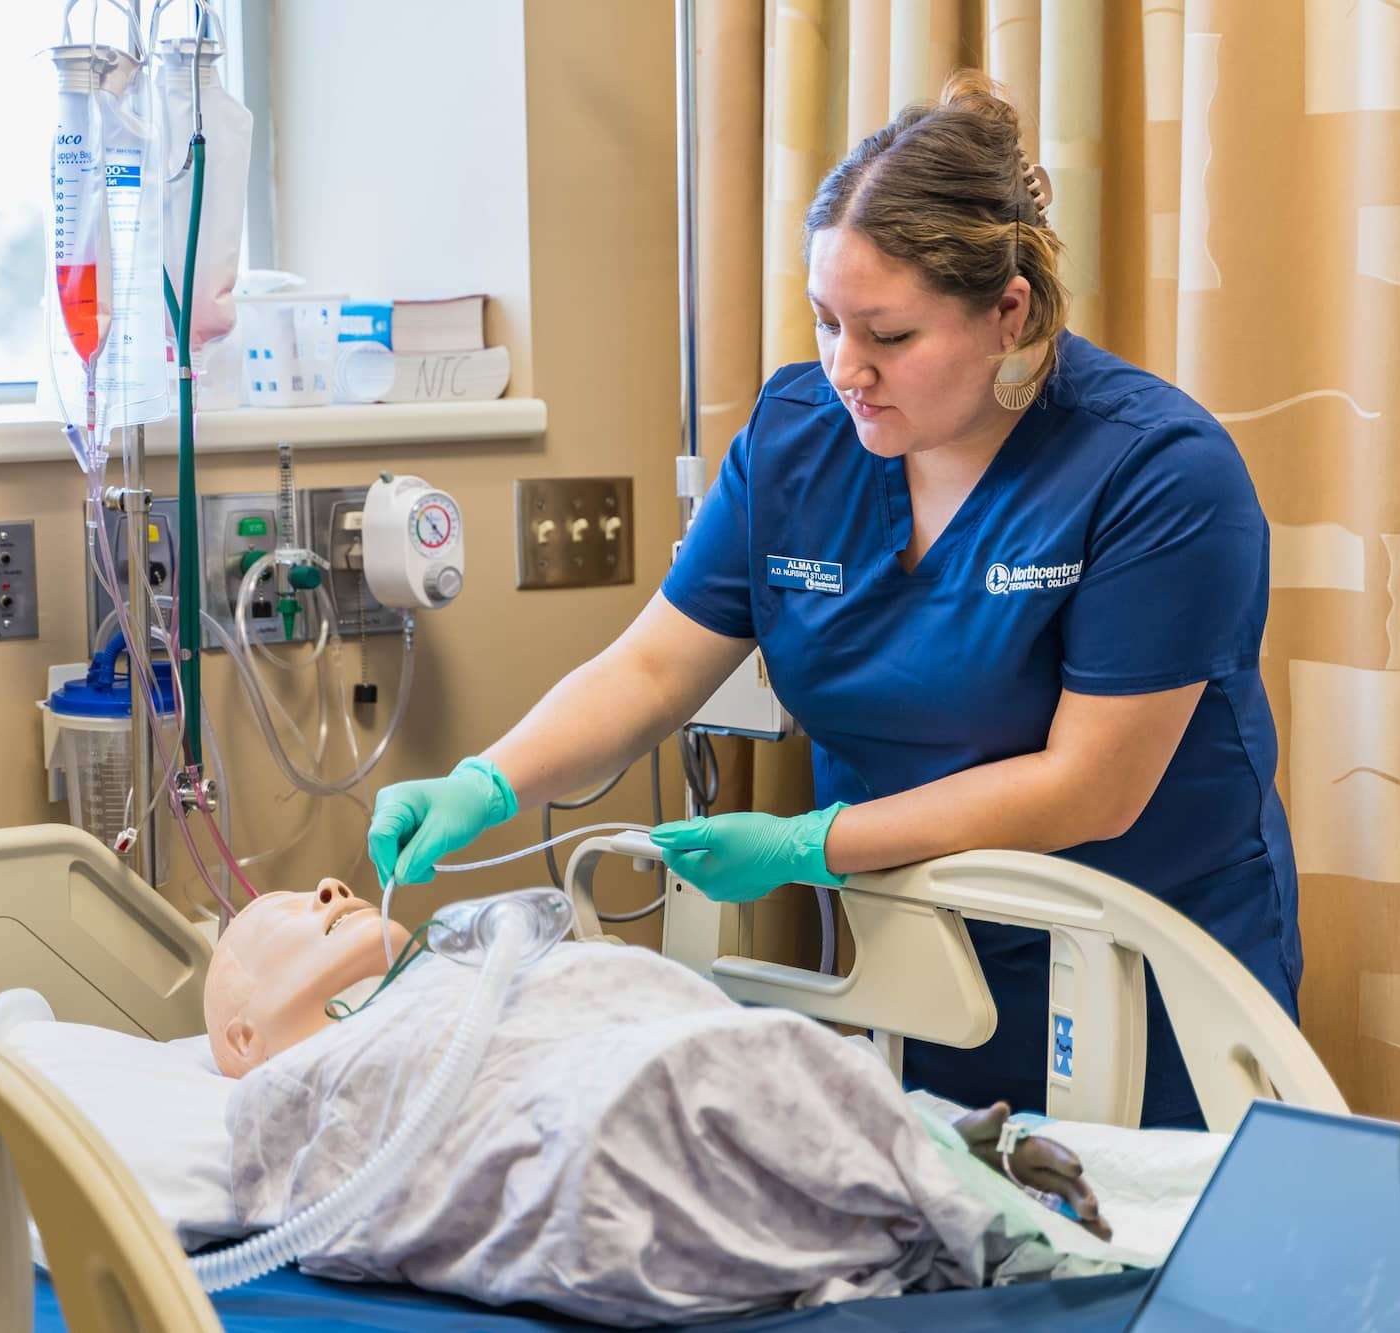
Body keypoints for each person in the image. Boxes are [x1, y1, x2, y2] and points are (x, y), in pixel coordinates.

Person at [368, 70, 1299, 1129]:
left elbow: (1089, 786)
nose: (845, 369)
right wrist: (490, 780)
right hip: (919, 964)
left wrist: (809, 842)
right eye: (823, 322)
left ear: (1008, 311)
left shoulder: (1156, 471)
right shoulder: (796, 438)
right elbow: (650, 670)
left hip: (1146, 965)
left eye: (888, 336)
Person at [202, 879, 1114, 1323]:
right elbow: (328, 1193)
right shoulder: (294, 1088)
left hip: (672, 1054)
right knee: (653, 1104)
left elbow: (635, 1008)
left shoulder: (486, 971)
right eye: (283, 906)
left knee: (737, 1059)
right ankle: (916, 1185)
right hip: (608, 1128)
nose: (327, 885)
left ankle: (917, 1158)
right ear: (241, 1039)